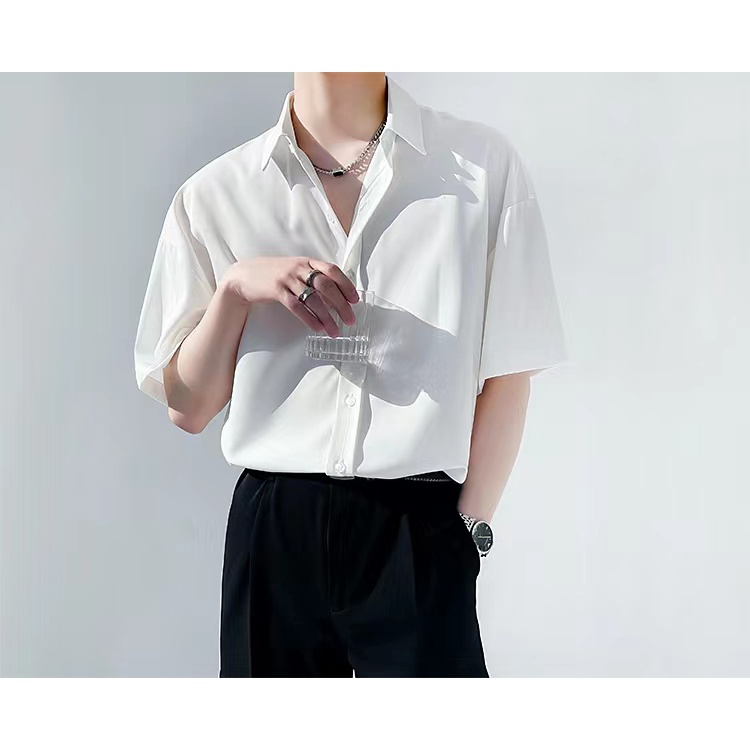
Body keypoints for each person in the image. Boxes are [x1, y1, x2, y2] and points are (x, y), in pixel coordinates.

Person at [133, 72, 569, 677]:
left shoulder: (481, 170)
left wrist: (467, 534)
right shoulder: (217, 192)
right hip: (274, 531)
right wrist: (235, 289)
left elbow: (511, 371)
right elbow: (188, 406)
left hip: (417, 527)